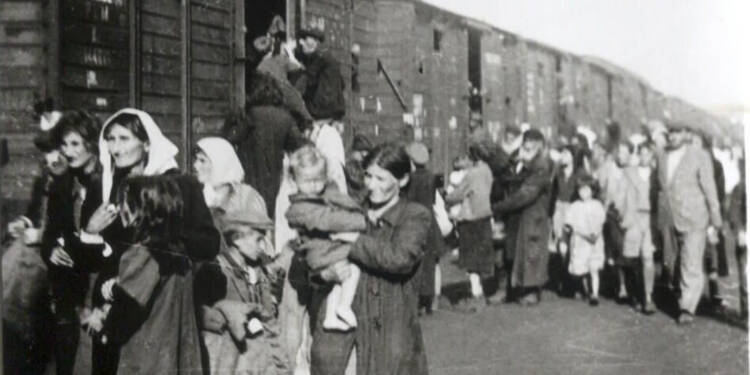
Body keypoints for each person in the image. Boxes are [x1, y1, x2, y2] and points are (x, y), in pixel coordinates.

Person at [79, 108, 220, 373]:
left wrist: (162, 241)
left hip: (158, 306)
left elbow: (209, 244)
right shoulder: (105, 187)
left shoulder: (180, 184)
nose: (115, 148)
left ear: (146, 143)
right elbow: (89, 261)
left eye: (123, 139)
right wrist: (90, 232)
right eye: (110, 139)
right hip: (115, 306)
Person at [309, 143, 431, 375]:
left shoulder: (415, 216)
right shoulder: (350, 211)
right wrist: (324, 274)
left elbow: (399, 258)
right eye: (368, 176)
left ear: (402, 181)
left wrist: (353, 239)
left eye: (381, 179)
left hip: (390, 328)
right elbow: (315, 258)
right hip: (343, 332)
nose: (371, 185)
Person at [91, 176, 202, 374]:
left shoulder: (143, 253)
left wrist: (102, 316)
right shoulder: (179, 251)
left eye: (124, 202)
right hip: (177, 359)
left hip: (148, 362)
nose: (119, 209)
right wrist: (118, 285)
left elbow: (124, 314)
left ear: (142, 207)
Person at [3, 111, 69, 375]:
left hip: (59, 255)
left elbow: (71, 225)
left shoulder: (74, 179)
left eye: (56, 149)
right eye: (47, 150)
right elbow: (35, 212)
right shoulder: (46, 174)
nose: (51, 157)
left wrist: (42, 235)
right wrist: (25, 223)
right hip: (36, 249)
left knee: (19, 291)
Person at [195, 195, 290, 374]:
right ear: (237, 239)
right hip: (229, 360)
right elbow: (204, 318)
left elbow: (269, 318)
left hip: (258, 360)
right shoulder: (215, 271)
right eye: (258, 240)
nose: (263, 247)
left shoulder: (260, 270)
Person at [39, 110, 102, 375]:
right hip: (69, 286)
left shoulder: (107, 183)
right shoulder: (61, 184)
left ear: (91, 143)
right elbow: (49, 234)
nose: (68, 151)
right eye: (64, 145)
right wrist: (50, 249)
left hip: (99, 282)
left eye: (75, 144)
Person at [285, 146, 367, 331]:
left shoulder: (323, 196)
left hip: (328, 250)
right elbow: (329, 220)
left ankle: (332, 315)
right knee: (353, 268)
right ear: (294, 180)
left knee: (339, 281)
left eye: (318, 180)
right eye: (307, 181)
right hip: (323, 252)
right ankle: (343, 306)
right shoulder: (299, 208)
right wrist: (363, 221)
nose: (314, 185)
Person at [655, 122, 723, 325]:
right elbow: (658, 187)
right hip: (668, 216)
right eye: (670, 132)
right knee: (671, 260)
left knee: (691, 261)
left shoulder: (699, 156)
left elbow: (710, 188)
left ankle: (687, 307)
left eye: (677, 132)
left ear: (686, 133)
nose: (672, 136)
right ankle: (679, 293)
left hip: (695, 217)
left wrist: (715, 219)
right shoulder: (661, 155)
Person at [224, 72, 307, 218]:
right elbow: (298, 145)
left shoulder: (250, 115)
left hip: (251, 173)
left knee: (253, 209)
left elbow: (231, 138)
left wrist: (230, 122)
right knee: (272, 212)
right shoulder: (285, 118)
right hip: (275, 175)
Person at [492, 129, 552, 306]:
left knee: (531, 253)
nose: (527, 146)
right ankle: (509, 291)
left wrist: (498, 207)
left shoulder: (540, 167)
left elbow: (526, 194)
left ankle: (531, 292)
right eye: (525, 142)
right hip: (516, 216)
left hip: (532, 216)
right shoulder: (519, 162)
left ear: (539, 146)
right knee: (509, 253)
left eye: (532, 144)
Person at [445, 142, 494, 311]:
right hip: (485, 217)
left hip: (470, 219)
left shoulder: (472, 174)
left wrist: (447, 196)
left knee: (471, 260)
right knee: (481, 259)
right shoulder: (487, 170)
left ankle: (476, 294)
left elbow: (458, 195)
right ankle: (482, 292)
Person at [405, 142, 448, 314]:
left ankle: (420, 303)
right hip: (432, 223)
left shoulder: (412, 179)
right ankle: (433, 300)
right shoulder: (431, 177)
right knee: (432, 264)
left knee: (419, 265)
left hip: (417, 223)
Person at [618, 142, 658, 314]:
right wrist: (623, 216)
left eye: (648, 154)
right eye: (641, 154)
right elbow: (620, 196)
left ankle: (648, 297)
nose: (644, 157)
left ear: (652, 157)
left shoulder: (656, 176)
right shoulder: (629, 173)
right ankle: (635, 295)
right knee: (632, 259)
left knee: (648, 258)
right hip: (633, 217)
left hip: (649, 219)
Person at [192, 137, 267, 220]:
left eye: (202, 161)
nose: (195, 166)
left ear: (220, 164)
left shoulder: (247, 198)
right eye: (196, 160)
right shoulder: (198, 196)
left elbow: (257, 230)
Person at [562, 174, 606, 306]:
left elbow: (600, 221)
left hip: (593, 241)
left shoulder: (597, 205)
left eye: (586, 189)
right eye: (581, 189)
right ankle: (585, 289)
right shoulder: (575, 206)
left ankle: (595, 294)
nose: (583, 192)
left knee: (593, 268)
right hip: (580, 242)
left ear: (592, 190)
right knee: (580, 269)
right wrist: (569, 230)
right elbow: (569, 223)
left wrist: (595, 233)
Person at [293, 27, 346, 134]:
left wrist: (295, 64)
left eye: (305, 39)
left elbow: (307, 82)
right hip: (334, 112)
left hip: (321, 110)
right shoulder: (329, 58)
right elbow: (342, 84)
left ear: (316, 42)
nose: (301, 43)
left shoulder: (319, 57)